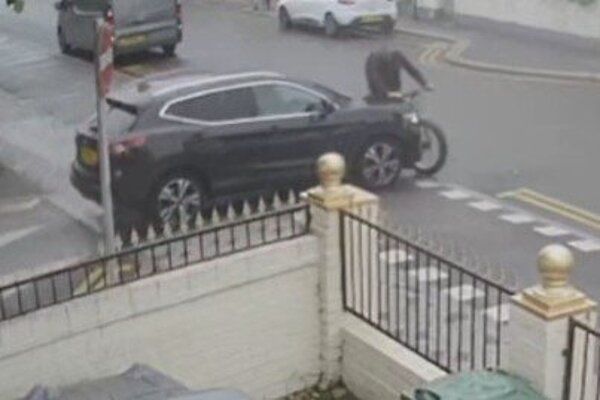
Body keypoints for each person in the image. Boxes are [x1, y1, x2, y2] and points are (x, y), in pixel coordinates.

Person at [365, 49, 433, 100]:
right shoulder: (373, 60)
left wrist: (424, 83)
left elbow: (412, 70)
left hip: (396, 91)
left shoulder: (397, 56)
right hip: (378, 95)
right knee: (388, 115)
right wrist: (386, 93)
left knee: (406, 113)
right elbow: (374, 78)